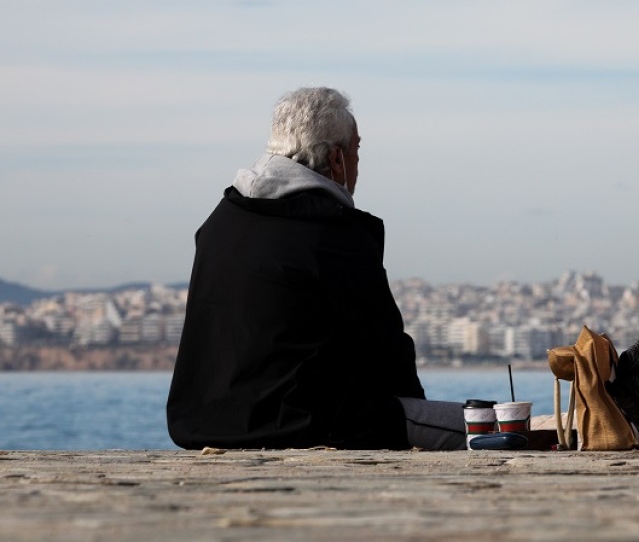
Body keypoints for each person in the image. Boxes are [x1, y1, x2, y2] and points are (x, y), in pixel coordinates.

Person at [167, 87, 466, 450]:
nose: (358, 163)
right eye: (357, 150)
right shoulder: (333, 230)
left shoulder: (219, 222)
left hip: (204, 424)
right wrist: (412, 409)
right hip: (310, 424)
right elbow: (385, 349)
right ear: (337, 158)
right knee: (494, 429)